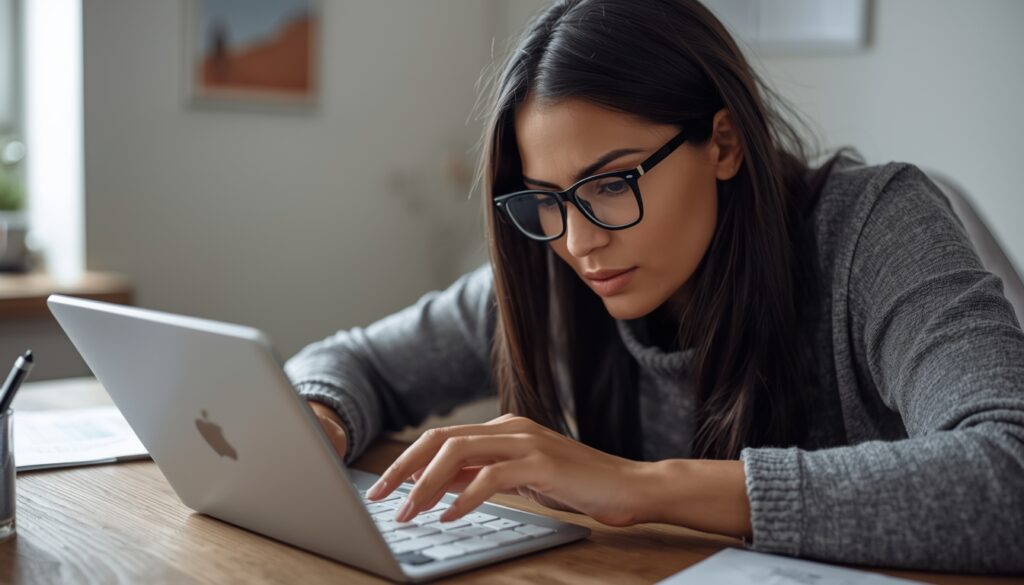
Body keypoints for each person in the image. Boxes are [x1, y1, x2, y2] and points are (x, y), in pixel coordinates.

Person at [284, 0, 1024, 573]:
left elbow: (1010, 467)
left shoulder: (874, 226)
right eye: (545, 197)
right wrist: (320, 419)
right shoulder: (555, 266)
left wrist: (640, 486)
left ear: (724, 144)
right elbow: (353, 361)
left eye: (609, 183)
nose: (579, 241)